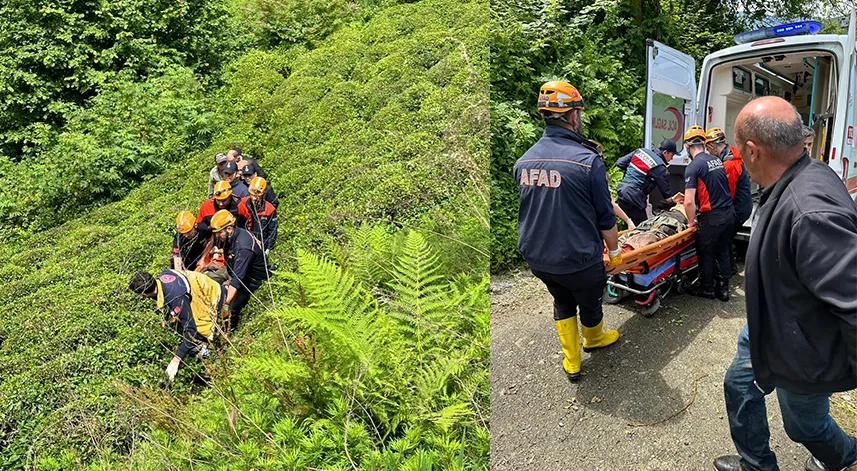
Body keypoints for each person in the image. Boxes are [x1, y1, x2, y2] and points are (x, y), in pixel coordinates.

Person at [712, 97, 857, 471]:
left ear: (752, 151)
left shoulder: (810, 213)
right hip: (769, 322)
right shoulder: (804, 171)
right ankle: (757, 464)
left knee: (803, 425)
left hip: (803, 346)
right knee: (739, 385)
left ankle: (843, 454)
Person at [514, 80, 622, 382]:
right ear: (573, 115)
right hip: (579, 259)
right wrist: (614, 253)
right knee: (589, 300)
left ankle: (572, 361)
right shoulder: (588, 161)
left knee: (561, 299)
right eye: (579, 112)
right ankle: (593, 339)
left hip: (538, 259)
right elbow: (605, 218)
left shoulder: (524, 161)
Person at [128, 269, 224, 381]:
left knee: (195, 333)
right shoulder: (162, 276)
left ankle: (214, 357)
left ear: (143, 294)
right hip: (209, 289)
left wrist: (176, 360)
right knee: (176, 323)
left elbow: (191, 331)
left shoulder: (176, 297)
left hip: (216, 300)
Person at [682, 125, 735, 302]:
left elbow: (688, 201)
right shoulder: (716, 160)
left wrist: (691, 222)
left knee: (704, 251)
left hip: (713, 217)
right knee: (723, 250)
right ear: (704, 144)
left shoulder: (693, 166)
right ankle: (724, 289)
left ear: (687, 146)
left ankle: (707, 289)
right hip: (729, 213)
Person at [210, 209, 271, 331]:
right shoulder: (233, 237)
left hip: (251, 282)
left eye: (219, 232)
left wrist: (224, 302)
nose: (217, 236)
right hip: (236, 273)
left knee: (229, 310)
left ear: (229, 228)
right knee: (208, 279)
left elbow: (238, 280)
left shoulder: (244, 248)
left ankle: (227, 334)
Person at [705, 127, 752, 273]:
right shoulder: (730, 152)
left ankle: (728, 271)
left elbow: (727, 193)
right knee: (727, 238)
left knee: (724, 240)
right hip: (742, 205)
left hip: (738, 208)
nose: (708, 152)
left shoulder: (730, 165)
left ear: (712, 146)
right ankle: (730, 268)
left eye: (708, 148)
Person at [615, 139, 681, 225]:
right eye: (672, 155)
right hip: (634, 197)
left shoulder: (640, 151)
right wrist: (676, 205)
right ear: (665, 152)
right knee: (641, 228)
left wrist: (635, 171)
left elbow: (620, 162)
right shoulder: (660, 167)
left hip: (622, 192)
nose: (672, 159)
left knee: (629, 225)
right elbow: (666, 193)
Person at [238, 177, 278, 253]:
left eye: (257, 196)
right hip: (245, 244)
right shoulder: (242, 204)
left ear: (264, 194)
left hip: (262, 247)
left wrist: (267, 249)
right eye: (252, 195)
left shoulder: (270, 210)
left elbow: (272, 231)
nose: (254, 198)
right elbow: (238, 226)